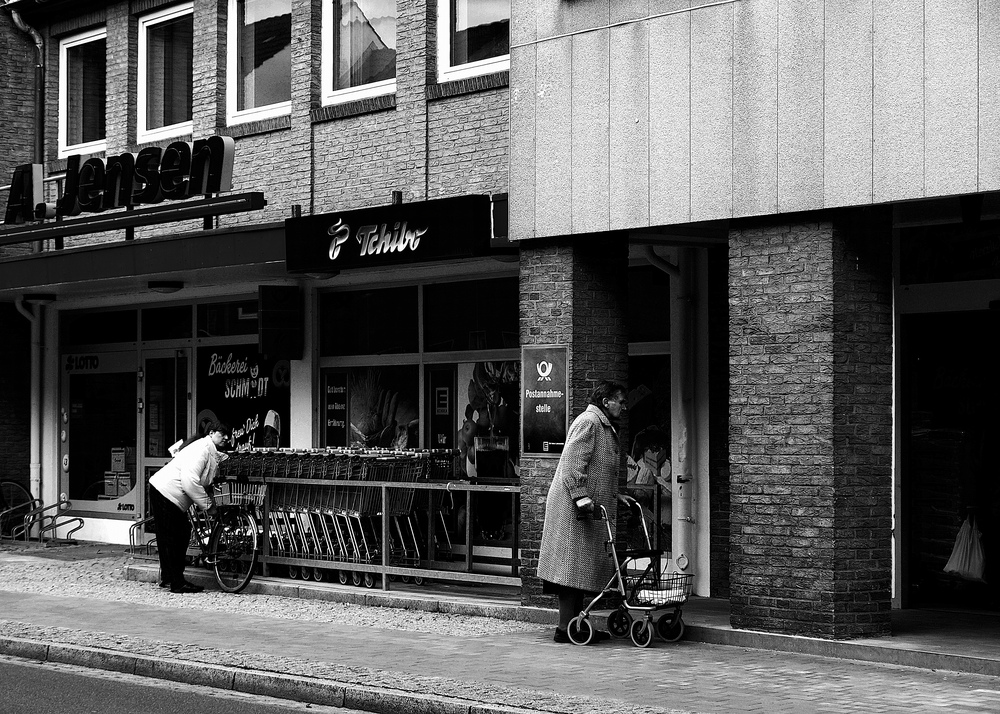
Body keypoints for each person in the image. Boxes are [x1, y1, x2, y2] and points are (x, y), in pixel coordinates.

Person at [537, 380, 635, 643]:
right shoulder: (589, 422)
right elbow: (572, 463)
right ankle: (565, 628)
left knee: (578, 570)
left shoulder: (600, 424)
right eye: (621, 402)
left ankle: (576, 625)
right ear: (606, 402)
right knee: (570, 570)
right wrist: (581, 497)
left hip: (581, 509)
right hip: (573, 509)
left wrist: (616, 495)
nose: (624, 407)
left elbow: (597, 470)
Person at [148, 421, 232, 593]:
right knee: (177, 535)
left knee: (170, 536)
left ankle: (169, 578)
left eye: (227, 435)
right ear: (211, 433)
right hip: (166, 492)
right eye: (222, 434)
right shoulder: (202, 449)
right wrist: (209, 506)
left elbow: (201, 481)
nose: (226, 438)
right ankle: (177, 583)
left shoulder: (209, 450)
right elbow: (190, 481)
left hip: (165, 492)